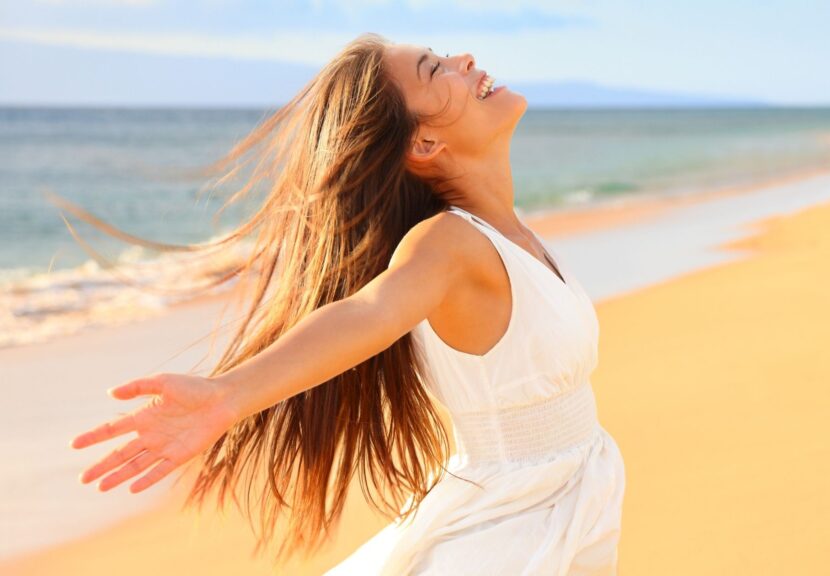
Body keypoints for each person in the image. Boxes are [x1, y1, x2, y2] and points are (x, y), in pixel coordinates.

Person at [67, 32, 625, 574]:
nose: (465, 58)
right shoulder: (449, 243)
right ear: (424, 144)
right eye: (437, 69)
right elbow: (370, 312)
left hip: (564, 499)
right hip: (507, 529)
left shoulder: (510, 235)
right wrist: (227, 395)